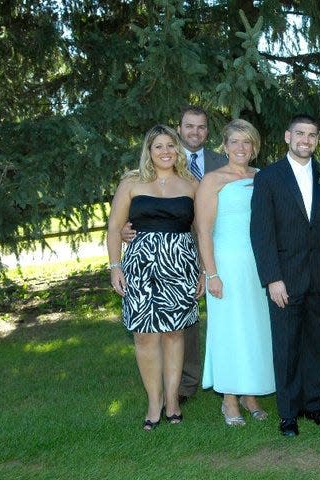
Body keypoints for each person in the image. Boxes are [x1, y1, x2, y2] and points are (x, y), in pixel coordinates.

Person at [250, 114, 320, 437]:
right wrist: (272, 278)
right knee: (287, 346)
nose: (306, 140)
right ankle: (288, 413)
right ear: (288, 137)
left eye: (312, 135)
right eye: (300, 134)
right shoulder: (269, 178)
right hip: (285, 278)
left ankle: (313, 406)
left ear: (317, 140)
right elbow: (261, 233)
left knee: (316, 344)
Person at [122, 106, 227, 404]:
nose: (195, 132)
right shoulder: (149, 167)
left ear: (208, 131)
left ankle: (226, 382)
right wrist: (124, 233)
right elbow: (123, 215)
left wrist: (206, 268)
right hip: (154, 259)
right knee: (168, 330)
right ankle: (178, 390)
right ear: (179, 128)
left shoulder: (221, 162)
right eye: (189, 126)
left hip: (206, 253)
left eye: (202, 127)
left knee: (186, 327)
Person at [107, 125, 204, 430]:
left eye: (171, 146)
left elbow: (201, 231)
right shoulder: (131, 183)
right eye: (158, 146)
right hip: (140, 266)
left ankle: (173, 400)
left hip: (181, 266)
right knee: (145, 334)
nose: (165, 152)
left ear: (178, 150)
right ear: (148, 151)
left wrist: (204, 270)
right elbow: (114, 228)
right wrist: (115, 266)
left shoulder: (191, 184)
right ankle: (154, 402)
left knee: (175, 333)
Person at [194, 119, 275, 426]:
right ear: (224, 146)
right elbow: (204, 230)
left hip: (258, 264)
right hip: (226, 263)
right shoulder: (213, 180)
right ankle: (229, 399)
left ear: (254, 146)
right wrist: (211, 273)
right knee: (229, 328)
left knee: (256, 328)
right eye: (235, 142)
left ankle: (250, 393)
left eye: (248, 142)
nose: (241, 148)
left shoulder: (263, 176)